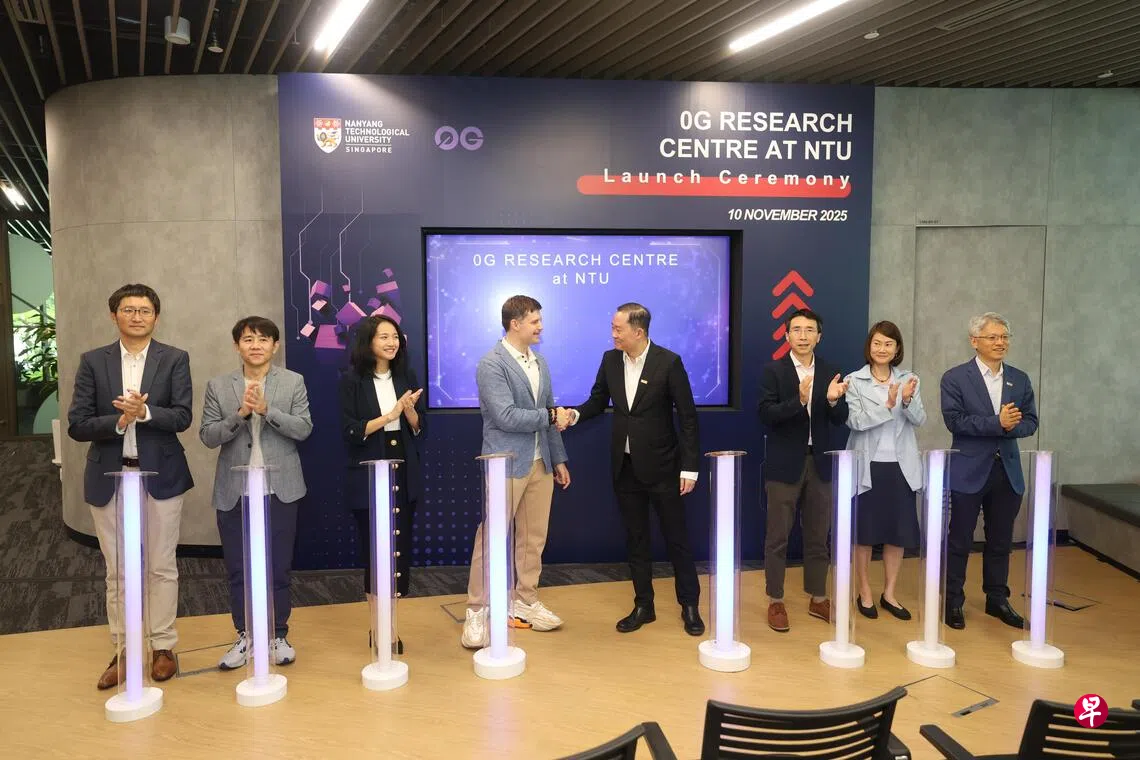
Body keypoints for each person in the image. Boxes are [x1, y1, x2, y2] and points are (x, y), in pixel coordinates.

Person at [67, 283, 193, 690]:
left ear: (156, 317)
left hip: (161, 476)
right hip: (109, 477)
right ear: (114, 315)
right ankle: (124, 649)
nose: (136, 316)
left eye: (144, 310)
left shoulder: (174, 358)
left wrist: (146, 412)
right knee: (118, 570)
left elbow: (183, 417)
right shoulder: (93, 361)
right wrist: (120, 421)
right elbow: (77, 424)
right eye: (128, 309)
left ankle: (162, 646)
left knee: (161, 565)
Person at [561, 303, 704, 637]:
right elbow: (598, 401)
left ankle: (690, 606)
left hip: (664, 467)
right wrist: (574, 414)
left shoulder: (668, 362)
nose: (613, 334)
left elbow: (687, 418)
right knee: (636, 540)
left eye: (618, 329)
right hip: (625, 468)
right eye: (612, 327)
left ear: (638, 332)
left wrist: (690, 467)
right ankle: (644, 606)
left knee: (677, 540)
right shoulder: (611, 360)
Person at [200, 316, 312, 669]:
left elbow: (303, 429)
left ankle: (277, 634)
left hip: (281, 488)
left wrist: (267, 411)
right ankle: (245, 634)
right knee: (239, 568)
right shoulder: (219, 385)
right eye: (248, 339)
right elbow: (208, 436)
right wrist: (241, 414)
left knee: (278, 567)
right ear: (237, 346)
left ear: (275, 346)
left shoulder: (293, 382)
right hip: (235, 490)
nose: (256, 345)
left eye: (263, 339)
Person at [460, 295, 570, 649]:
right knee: (492, 536)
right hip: (505, 462)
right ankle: (476, 610)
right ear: (515, 323)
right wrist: (551, 416)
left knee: (533, 538)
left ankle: (524, 601)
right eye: (535, 321)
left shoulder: (540, 361)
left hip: (540, 462)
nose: (540, 327)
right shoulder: (491, 363)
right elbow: (506, 416)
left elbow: (548, 410)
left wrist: (558, 458)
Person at [940, 312, 1037, 630]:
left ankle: (997, 599)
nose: (1000, 342)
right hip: (968, 470)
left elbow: (1031, 422)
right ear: (974, 341)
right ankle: (953, 600)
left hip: (1007, 472)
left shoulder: (1019, 379)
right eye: (993, 337)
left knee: (1000, 540)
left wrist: (1009, 427)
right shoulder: (955, 378)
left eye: (1005, 337)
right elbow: (955, 421)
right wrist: (997, 423)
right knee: (960, 539)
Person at [758, 307, 849, 633]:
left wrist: (834, 401)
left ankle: (818, 597)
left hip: (820, 462)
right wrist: (798, 400)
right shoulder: (774, 371)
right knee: (777, 536)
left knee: (818, 535)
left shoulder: (830, 370)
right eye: (796, 330)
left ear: (819, 337)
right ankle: (775, 600)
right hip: (784, 464)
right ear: (786, 335)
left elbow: (840, 419)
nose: (803, 336)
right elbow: (766, 415)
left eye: (809, 330)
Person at [339, 315, 425, 653]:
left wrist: (409, 413)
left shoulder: (406, 377)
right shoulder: (351, 381)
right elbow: (350, 431)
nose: (391, 342)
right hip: (369, 471)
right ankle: (377, 627)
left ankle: (392, 627)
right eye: (383, 336)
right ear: (368, 341)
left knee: (398, 551)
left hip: (403, 467)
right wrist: (389, 415)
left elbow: (418, 428)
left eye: (395, 336)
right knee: (375, 553)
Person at [844, 321, 925, 621]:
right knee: (864, 535)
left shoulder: (909, 379)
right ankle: (864, 591)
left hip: (901, 467)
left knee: (897, 534)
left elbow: (919, 419)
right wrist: (888, 405)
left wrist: (906, 400)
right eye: (877, 343)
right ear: (869, 346)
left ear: (897, 348)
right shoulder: (854, 380)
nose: (882, 349)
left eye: (888, 344)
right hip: (868, 465)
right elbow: (855, 422)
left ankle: (890, 593)